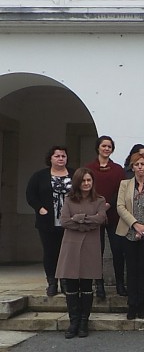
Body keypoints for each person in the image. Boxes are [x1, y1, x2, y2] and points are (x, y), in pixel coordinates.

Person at [56, 168, 106, 339]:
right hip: (70, 245)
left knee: (86, 285)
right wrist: (84, 221)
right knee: (70, 285)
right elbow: (64, 221)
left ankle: (84, 322)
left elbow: (100, 219)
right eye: (83, 181)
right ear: (78, 182)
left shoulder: (99, 200)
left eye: (89, 180)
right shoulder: (69, 199)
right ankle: (73, 322)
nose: (86, 184)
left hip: (90, 245)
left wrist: (78, 218)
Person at [116, 153, 144, 320]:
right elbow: (120, 206)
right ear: (132, 167)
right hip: (128, 231)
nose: (140, 167)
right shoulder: (124, 184)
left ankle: (141, 304)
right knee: (132, 268)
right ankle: (132, 304)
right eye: (137, 164)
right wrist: (135, 224)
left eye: (143, 164)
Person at [26, 146, 75, 297]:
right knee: (50, 252)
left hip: (69, 222)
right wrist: (40, 208)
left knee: (66, 254)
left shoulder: (74, 174)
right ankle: (52, 282)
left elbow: (83, 191)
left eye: (63, 156)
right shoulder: (39, 176)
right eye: (57, 156)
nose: (61, 159)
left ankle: (66, 282)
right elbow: (30, 194)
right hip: (47, 222)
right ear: (51, 158)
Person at [85, 136, 126, 298]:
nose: (106, 149)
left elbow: (121, 191)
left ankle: (120, 285)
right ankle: (99, 285)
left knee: (118, 250)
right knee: (96, 251)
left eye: (109, 146)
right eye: (104, 146)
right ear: (98, 148)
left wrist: (108, 204)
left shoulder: (118, 169)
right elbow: (85, 188)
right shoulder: (89, 168)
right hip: (94, 215)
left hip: (114, 215)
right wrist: (98, 207)